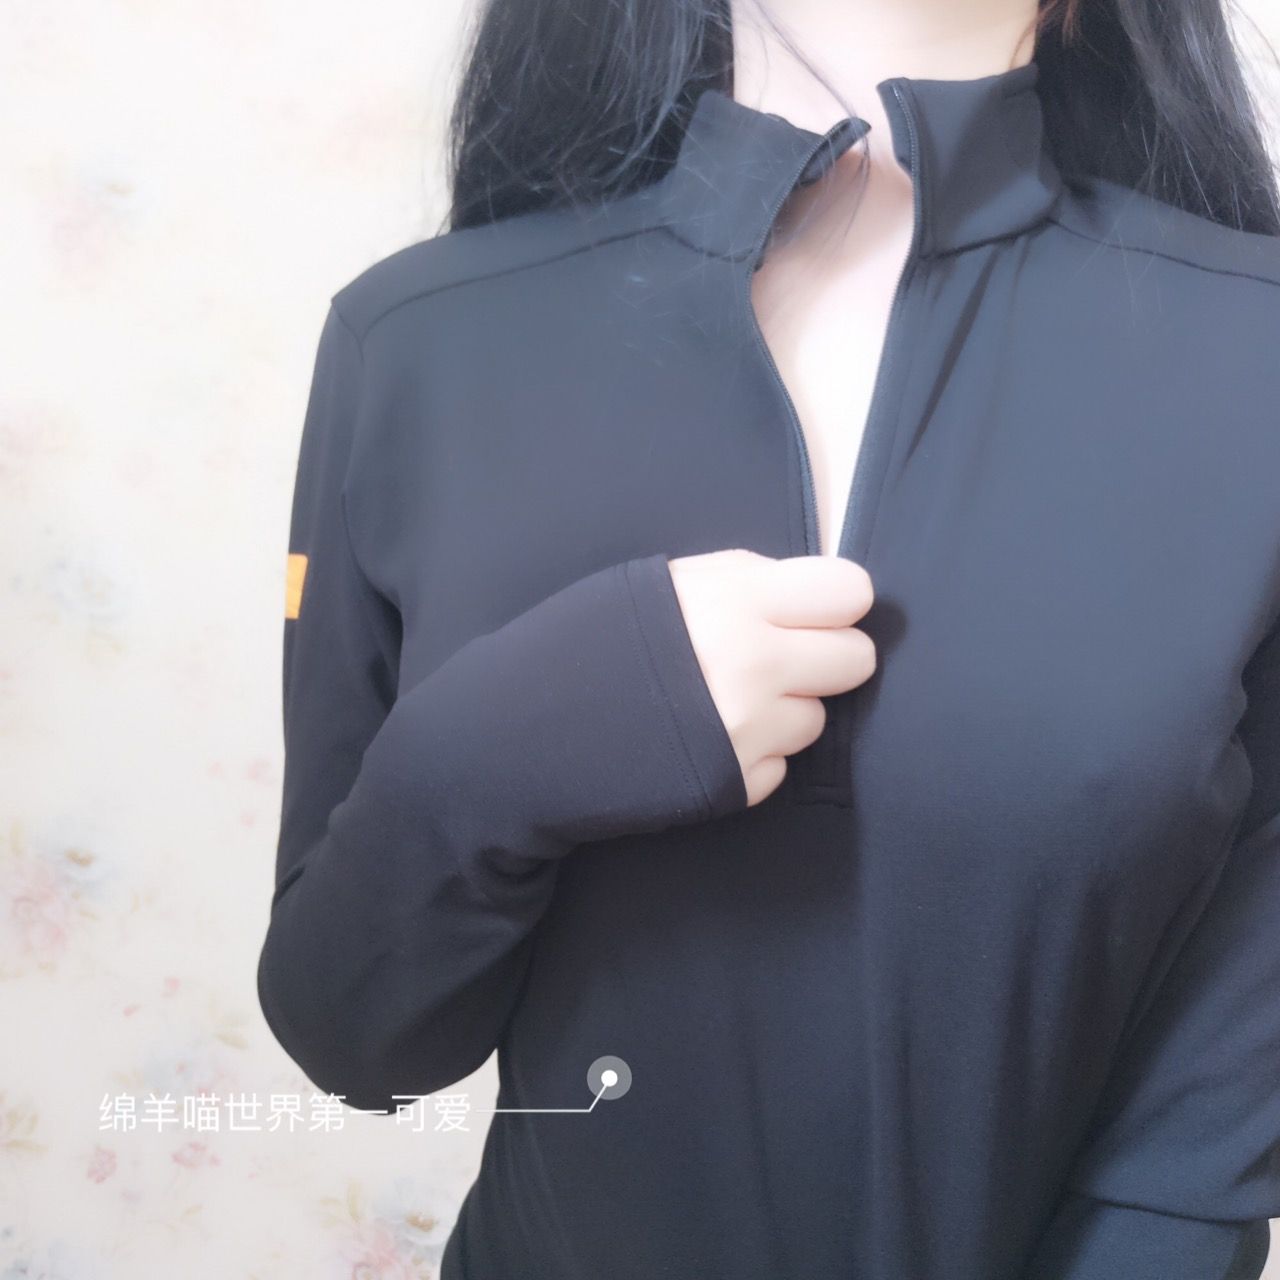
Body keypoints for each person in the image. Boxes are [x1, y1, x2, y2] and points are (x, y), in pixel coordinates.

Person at [255, 0, 1280, 1276]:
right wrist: (513, 736)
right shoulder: (416, 344)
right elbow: (356, 1036)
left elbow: (1199, 1144)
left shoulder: (1253, 358)